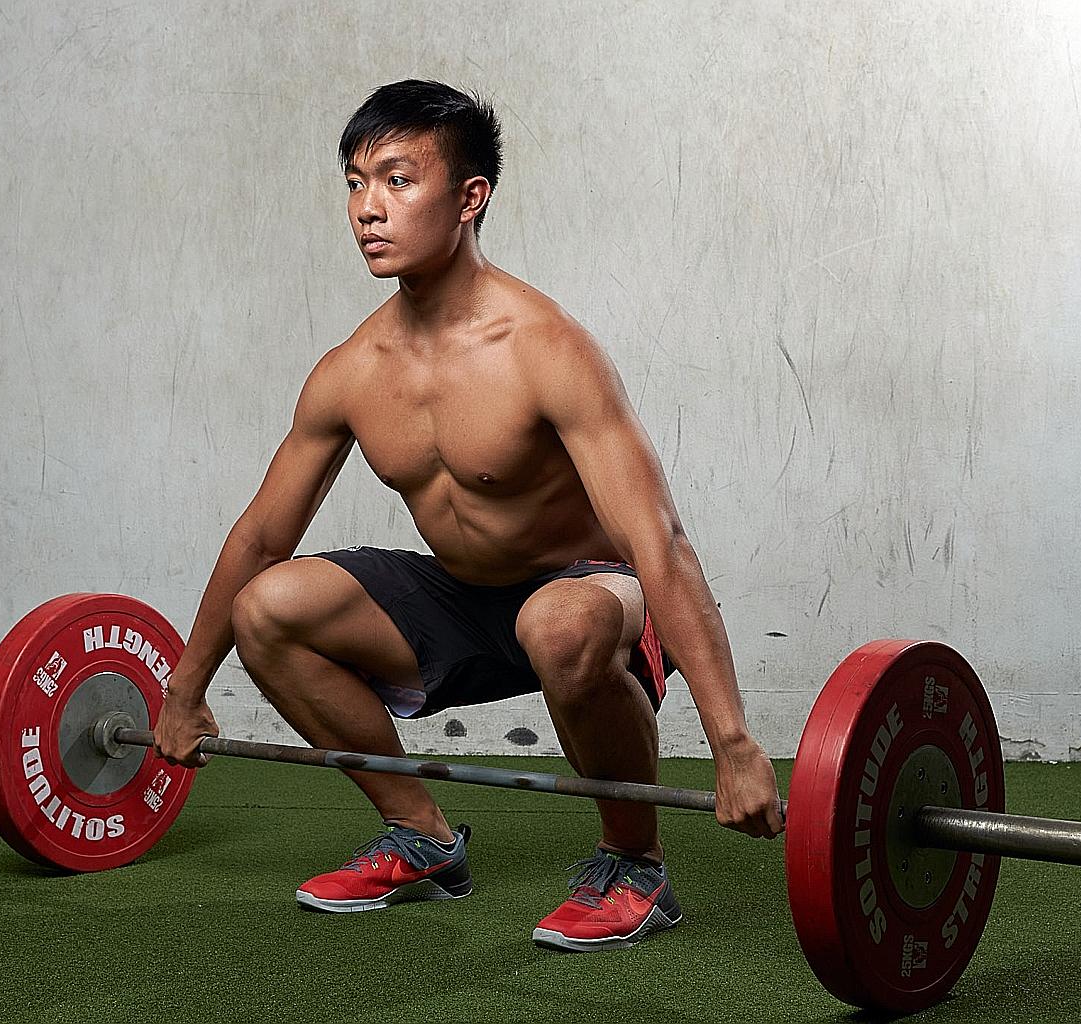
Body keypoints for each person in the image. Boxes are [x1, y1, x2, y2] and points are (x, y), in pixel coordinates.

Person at [154, 79, 783, 951]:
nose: (366, 209)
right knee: (269, 606)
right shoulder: (352, 368)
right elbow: (263, 535)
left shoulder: (546, 349)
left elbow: (657, 541)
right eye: (354, 182)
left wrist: (734, 743)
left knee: (558, 620)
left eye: (398, 181)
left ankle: (634, 865)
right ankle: (422, 838)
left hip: (590, 596)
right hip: (464, 597)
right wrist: (185, 691)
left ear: (469, 199)